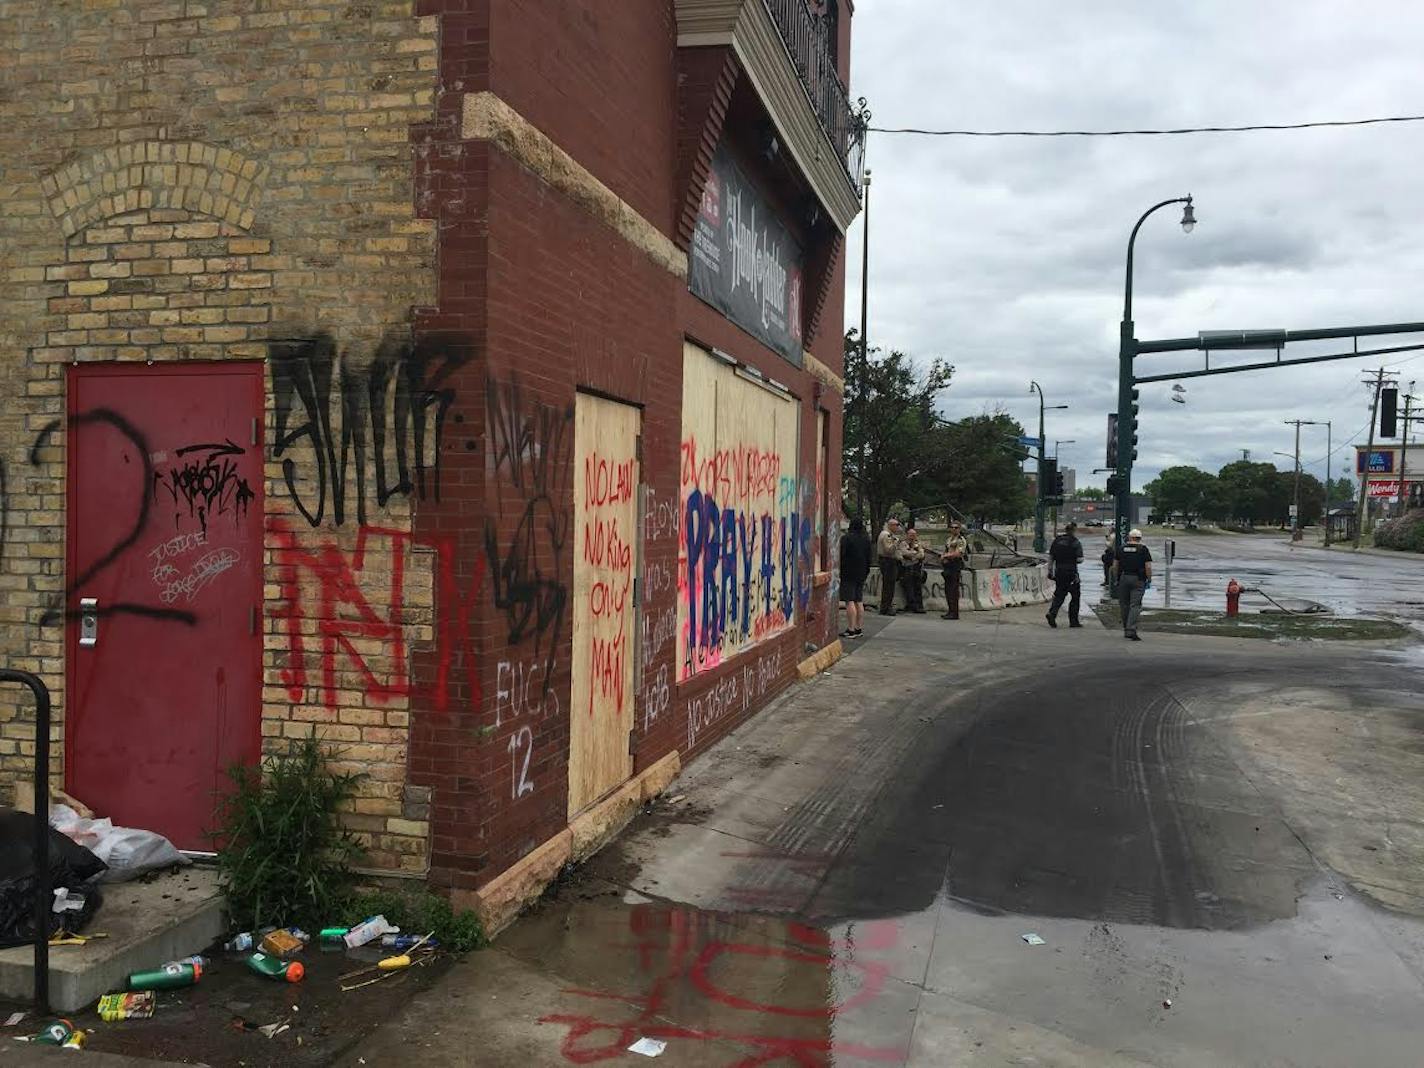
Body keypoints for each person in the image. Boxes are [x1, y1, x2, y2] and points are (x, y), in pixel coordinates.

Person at [1114, 528, 1153, 641]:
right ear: (1140, 538)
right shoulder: (1143, 549)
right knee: (1135, 605)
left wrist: (1117, 578)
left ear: (1130, 537)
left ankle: (1126, 628)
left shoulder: (1121, 549)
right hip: (1138, 579)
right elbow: (1148, 566)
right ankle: (1131, 629)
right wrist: (1149, 579)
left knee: (1124, 604)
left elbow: (1115, 565)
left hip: (1124, 577)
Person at [838, 518, 872, 639]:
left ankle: (851, 629)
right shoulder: (866, 539)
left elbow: (841, 555)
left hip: (848, 572)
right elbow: (869, 558)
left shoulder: (846, 538)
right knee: (859, 600)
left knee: (849, 600)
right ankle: (858, 628)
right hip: (862, 572)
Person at [1046, 522, 1084, 628]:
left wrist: (1050, 571)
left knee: (1059, 595)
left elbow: (1051, 557)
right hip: (1072, 573)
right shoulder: (1075, 542)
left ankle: (1052, 613)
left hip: (1059, 572)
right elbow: (1080, 559)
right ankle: (1073, 621)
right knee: (1075, 596)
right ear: (1074, 530)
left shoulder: (1057, 541)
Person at [939, 520, 968, 620]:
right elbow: (946, 550)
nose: (954, 529)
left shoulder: (961, 540)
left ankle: (954, 612)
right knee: (948, 589)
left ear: (959, 529)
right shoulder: (949, 539)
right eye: (952, 527)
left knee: (953, 589)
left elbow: (959, 553)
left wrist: (945, 556)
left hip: (955, 564)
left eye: (956, 527)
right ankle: (950, 610)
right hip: (948, 565)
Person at [875, 518, 903, 616]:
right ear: (891, 525)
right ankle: (886, 607)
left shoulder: (889, 535)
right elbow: (888, 550)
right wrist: (896, 543)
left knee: (889, 585)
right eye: (896, 525)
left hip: (888, 561)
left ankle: (886, 606)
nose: (898, 527)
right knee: (889, 585)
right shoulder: (886, 535)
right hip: (888, 561)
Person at [898, 528, 927, 613]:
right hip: (906, 567)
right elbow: (904, 553)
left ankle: (919, 606)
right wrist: (914, 553)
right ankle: (911, 605)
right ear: (907, 535)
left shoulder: (918, 544)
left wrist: (912, 555)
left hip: (916, 567)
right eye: (911, 535)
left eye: (914, 535)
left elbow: (921, 555)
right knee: (908, 587)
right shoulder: (903, 543)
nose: (912, 537)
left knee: (917, 587)